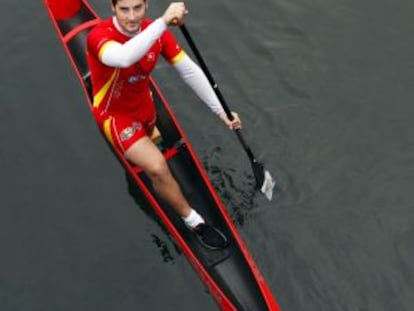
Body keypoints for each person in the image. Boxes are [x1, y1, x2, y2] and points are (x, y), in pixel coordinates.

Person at [86, 0, 241, 250]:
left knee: (152, 147)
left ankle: (147, 152)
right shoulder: (99, 36)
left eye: (137, 7)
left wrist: (221, 112)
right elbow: (124, 58)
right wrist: (163, 21)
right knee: (157, 167)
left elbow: (189, 71)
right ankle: (194, 221)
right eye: (124, 9)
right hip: (115, 116)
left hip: (145, 108)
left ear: (146, 5)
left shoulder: (156, 33)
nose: (132, 16)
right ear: (112, 7)